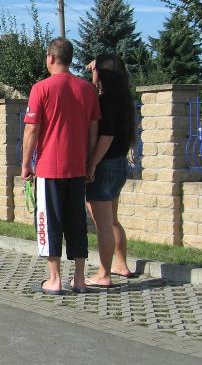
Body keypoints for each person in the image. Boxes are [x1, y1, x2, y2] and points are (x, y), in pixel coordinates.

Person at [22, 38, 100, 295]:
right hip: (77, 168)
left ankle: (54, 279)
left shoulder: (41, 88)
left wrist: (25, 164)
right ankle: (79, 278)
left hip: (49, 168)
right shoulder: (87, 89)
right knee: (77, 221)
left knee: (48, 221)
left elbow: (32, 129)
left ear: (51, 58)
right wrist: (90, 162)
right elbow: (93, 130)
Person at [84, 55, 138, 285]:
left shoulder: (105, 101)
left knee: (103, 224)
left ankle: (103, 274)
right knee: (112, 220)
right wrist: (96, 70)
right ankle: (120, 264)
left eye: (96, 69)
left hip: (104, 165)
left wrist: (91, 164)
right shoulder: (123, 99)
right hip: (119, 164)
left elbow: (106, 137)